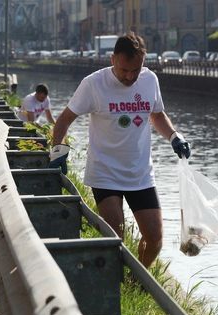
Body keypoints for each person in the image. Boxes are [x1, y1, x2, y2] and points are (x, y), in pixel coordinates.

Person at [49, 32, 191, 268]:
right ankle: (114, 282)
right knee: (117, 235)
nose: (130, 76)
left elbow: (156, 114)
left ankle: (137, 279)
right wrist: (58, 151)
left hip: (140, 173)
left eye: (136, 70)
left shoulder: (149, 80)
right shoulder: (93, 84)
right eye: (125, 70)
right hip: (105, 172)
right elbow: (64, 120)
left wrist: (174, 136)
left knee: (155, 239)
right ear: (113, 59)